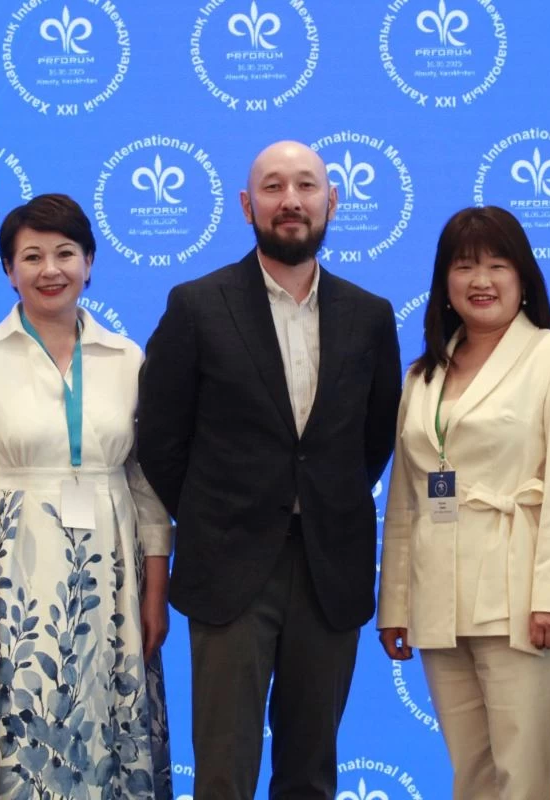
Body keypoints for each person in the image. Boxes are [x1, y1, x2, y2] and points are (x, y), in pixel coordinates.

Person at [137, 140, 402, 799]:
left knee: (311, 772)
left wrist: (320, 497)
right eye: (274, 187)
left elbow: (374, 439)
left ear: (331, 201)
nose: (291, 201)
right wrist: (217, 510)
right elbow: (161, 440)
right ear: (246, 205)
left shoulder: (369, 316)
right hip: (228, 565)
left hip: (329, 567)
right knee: (223, 772)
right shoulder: (197, 305)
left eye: (306, 186)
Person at [0, 194, 173, 799]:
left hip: (113, 576)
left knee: (110, 726)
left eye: (65, 253)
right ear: (9, 270)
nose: (50, 270)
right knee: (20, 721)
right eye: (31, 256)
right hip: (13, 573)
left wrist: (155, 592)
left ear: (90, 262)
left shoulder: (127, 357)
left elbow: (146, 485)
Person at [376, 206, 550, 800]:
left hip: (520, 595)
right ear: (444, 281)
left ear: (523, 276)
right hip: (437, 596)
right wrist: (395, 602)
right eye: (465, 266)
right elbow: (405, 499)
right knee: (470, 772)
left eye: (498, 265)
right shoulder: (423, 373)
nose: (482, 281)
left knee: (524, 775)